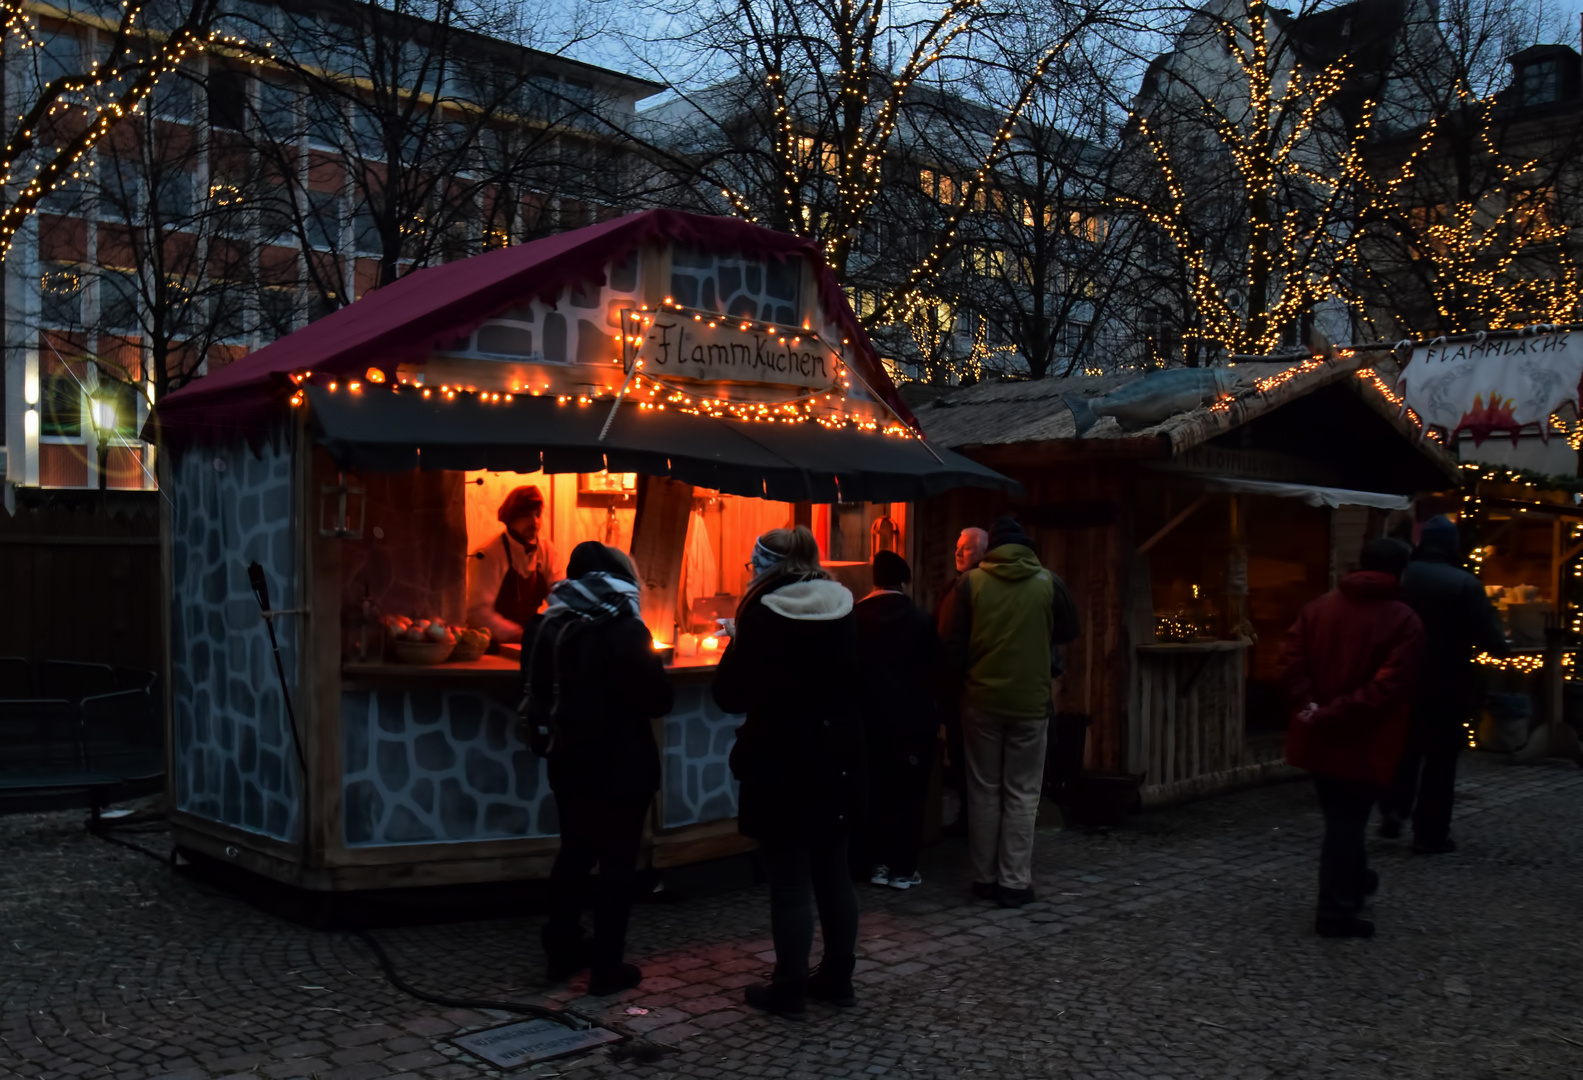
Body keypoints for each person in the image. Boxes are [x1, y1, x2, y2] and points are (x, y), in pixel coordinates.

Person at [713, 526, 864, 1016]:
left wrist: (735, 645)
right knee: (834, 873)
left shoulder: (762, 613)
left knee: (791, 879)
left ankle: (790, 985)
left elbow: (730, 695)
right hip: (835, 757)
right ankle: (839, 976)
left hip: (780, 759)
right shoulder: (843, 606)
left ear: (766, 565)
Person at [525, 542, 672, 996]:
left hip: (567, 760)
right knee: (617, 863)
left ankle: (562, 951)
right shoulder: (624, 628)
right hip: (622, 765)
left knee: (574, 853)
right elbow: (658, 700)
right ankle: (607, 968)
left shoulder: (543, 625)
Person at [1280, 538, 1424, 939]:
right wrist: (1330, 712)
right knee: (1346, 822)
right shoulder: (1403, 620)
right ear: (1400, 571)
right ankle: (1336, 911)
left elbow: (1291, 662)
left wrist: (1309, 706)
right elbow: (1389, 687)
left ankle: (1357, 883)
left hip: (1319, 733)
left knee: (1342, 818)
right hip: (1365, 738)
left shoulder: (1318, 608)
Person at [947, 515, 1080, 908]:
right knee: (1022, 793)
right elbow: (1069, 630)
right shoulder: (1048, 582)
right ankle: (1015, 881)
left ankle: (985, 878)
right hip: (1030, 703)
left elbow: (953, 645)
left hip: (981, 702)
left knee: (984, 789)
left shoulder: (969, 584)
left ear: (992, 550)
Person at [1380, 516, 1507, 853]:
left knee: (1402, 749)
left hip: (1401, 678)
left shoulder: (1402, 576)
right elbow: (1492, 637)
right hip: (1449, 682)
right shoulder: (1465, 583)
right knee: (1440, 760)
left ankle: (1393, 810)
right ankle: (1430, 833)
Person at [855, 549, 940, 891]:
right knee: (909, 794)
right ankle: (903, 868)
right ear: (904, 581)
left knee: (873, 792)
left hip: (867, 720)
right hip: (912, 722)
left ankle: (875, 863)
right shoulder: (920, 619)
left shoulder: (854, 617)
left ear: (873, 580)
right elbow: (935, 671)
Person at [934, 527, 988, 832]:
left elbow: (952, 642)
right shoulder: (955, 586)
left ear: (982, 552)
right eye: (957, 547)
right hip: (962, 689)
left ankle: (972, 819)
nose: (958, 553)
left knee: (969, 758)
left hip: (967, 689)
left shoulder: (970, 588)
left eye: (965, 548)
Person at [467, 485, 559, 643]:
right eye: (527, 516)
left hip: (527, 644)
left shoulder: (546, 550)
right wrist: (517, 634)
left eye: (538, 515)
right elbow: (477, 612)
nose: (534, 522)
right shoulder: (488, 555)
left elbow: (560, 594)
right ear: (511, 518)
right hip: (492, 646)